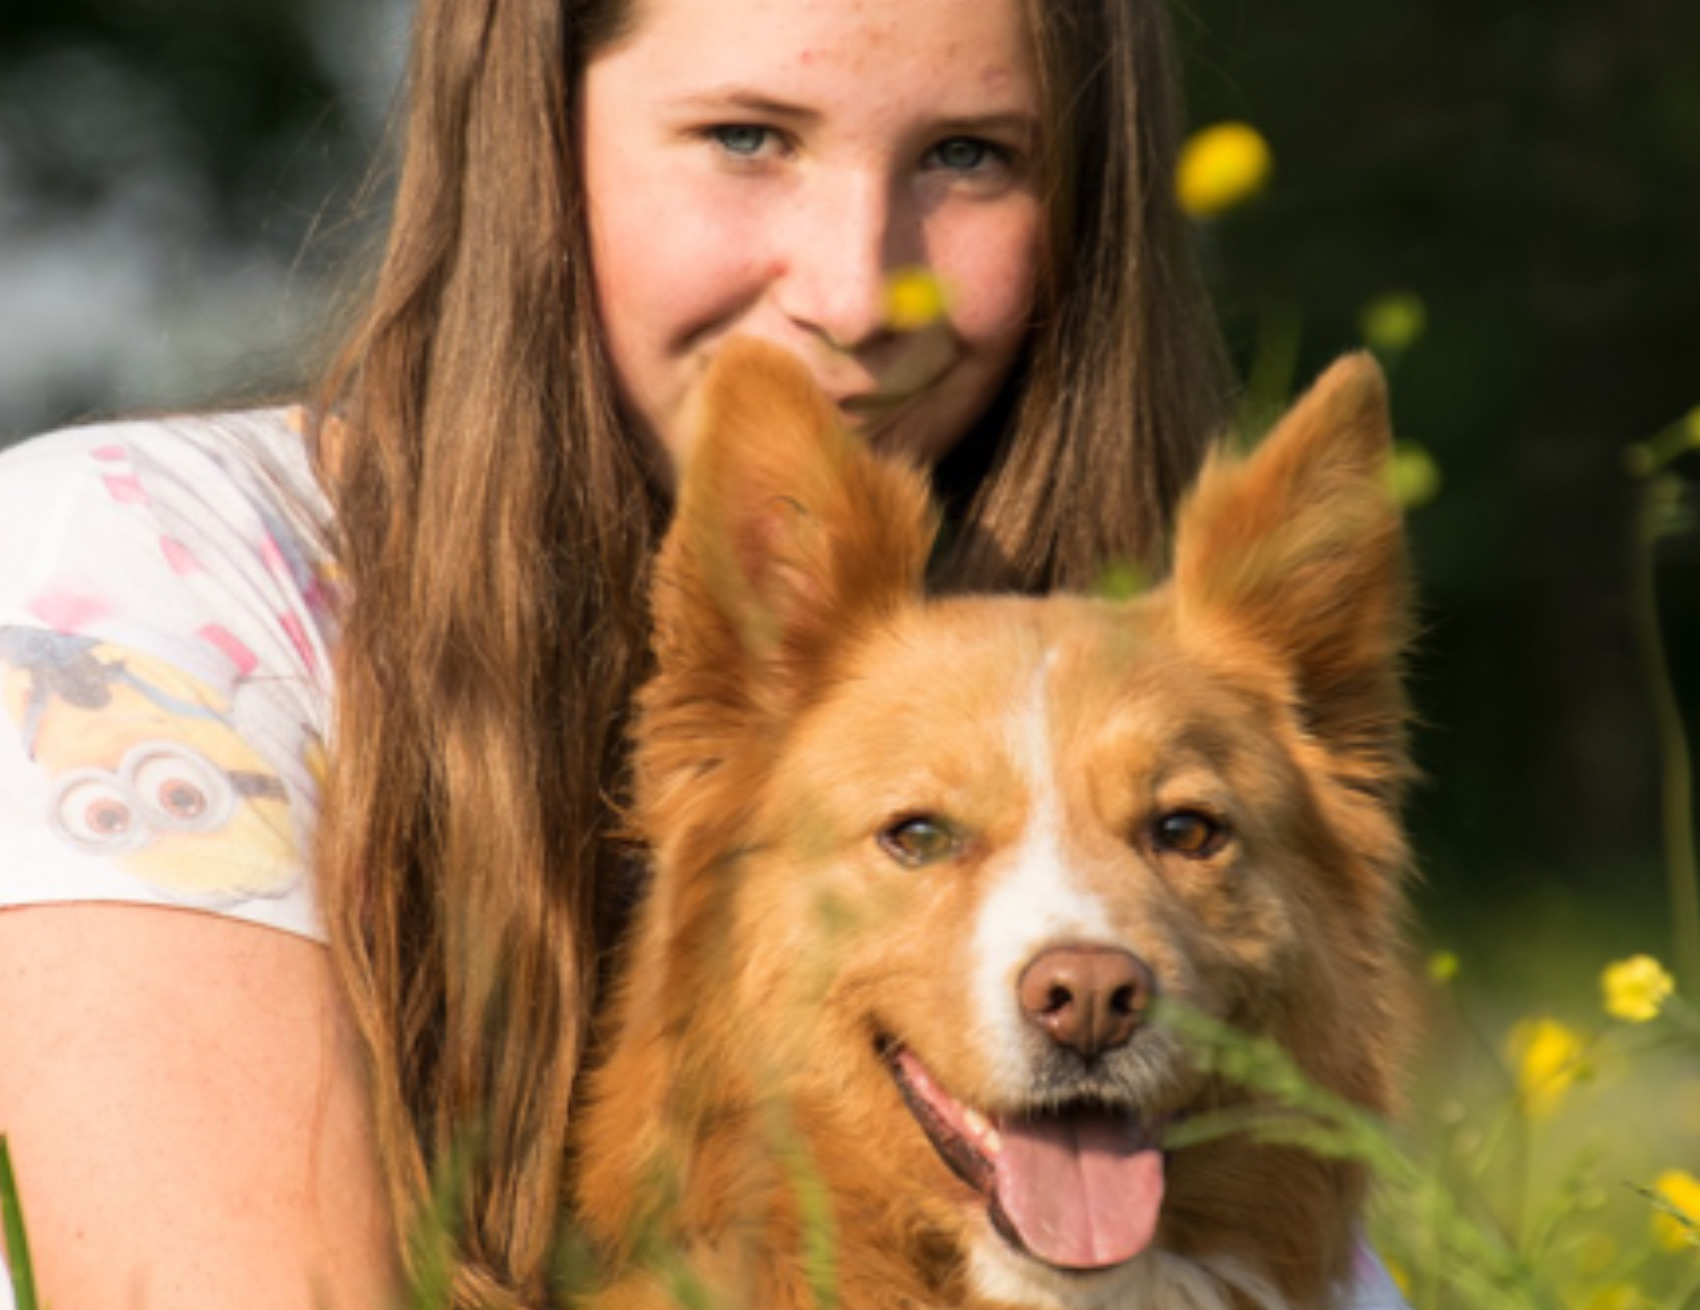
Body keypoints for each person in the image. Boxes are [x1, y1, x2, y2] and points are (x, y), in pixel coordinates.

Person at [0, 0, 1403, 1306]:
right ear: (532, 146)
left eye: (970, 154)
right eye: (748, 137)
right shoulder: (129, 574)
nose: (859, 292)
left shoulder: (1138, 667)